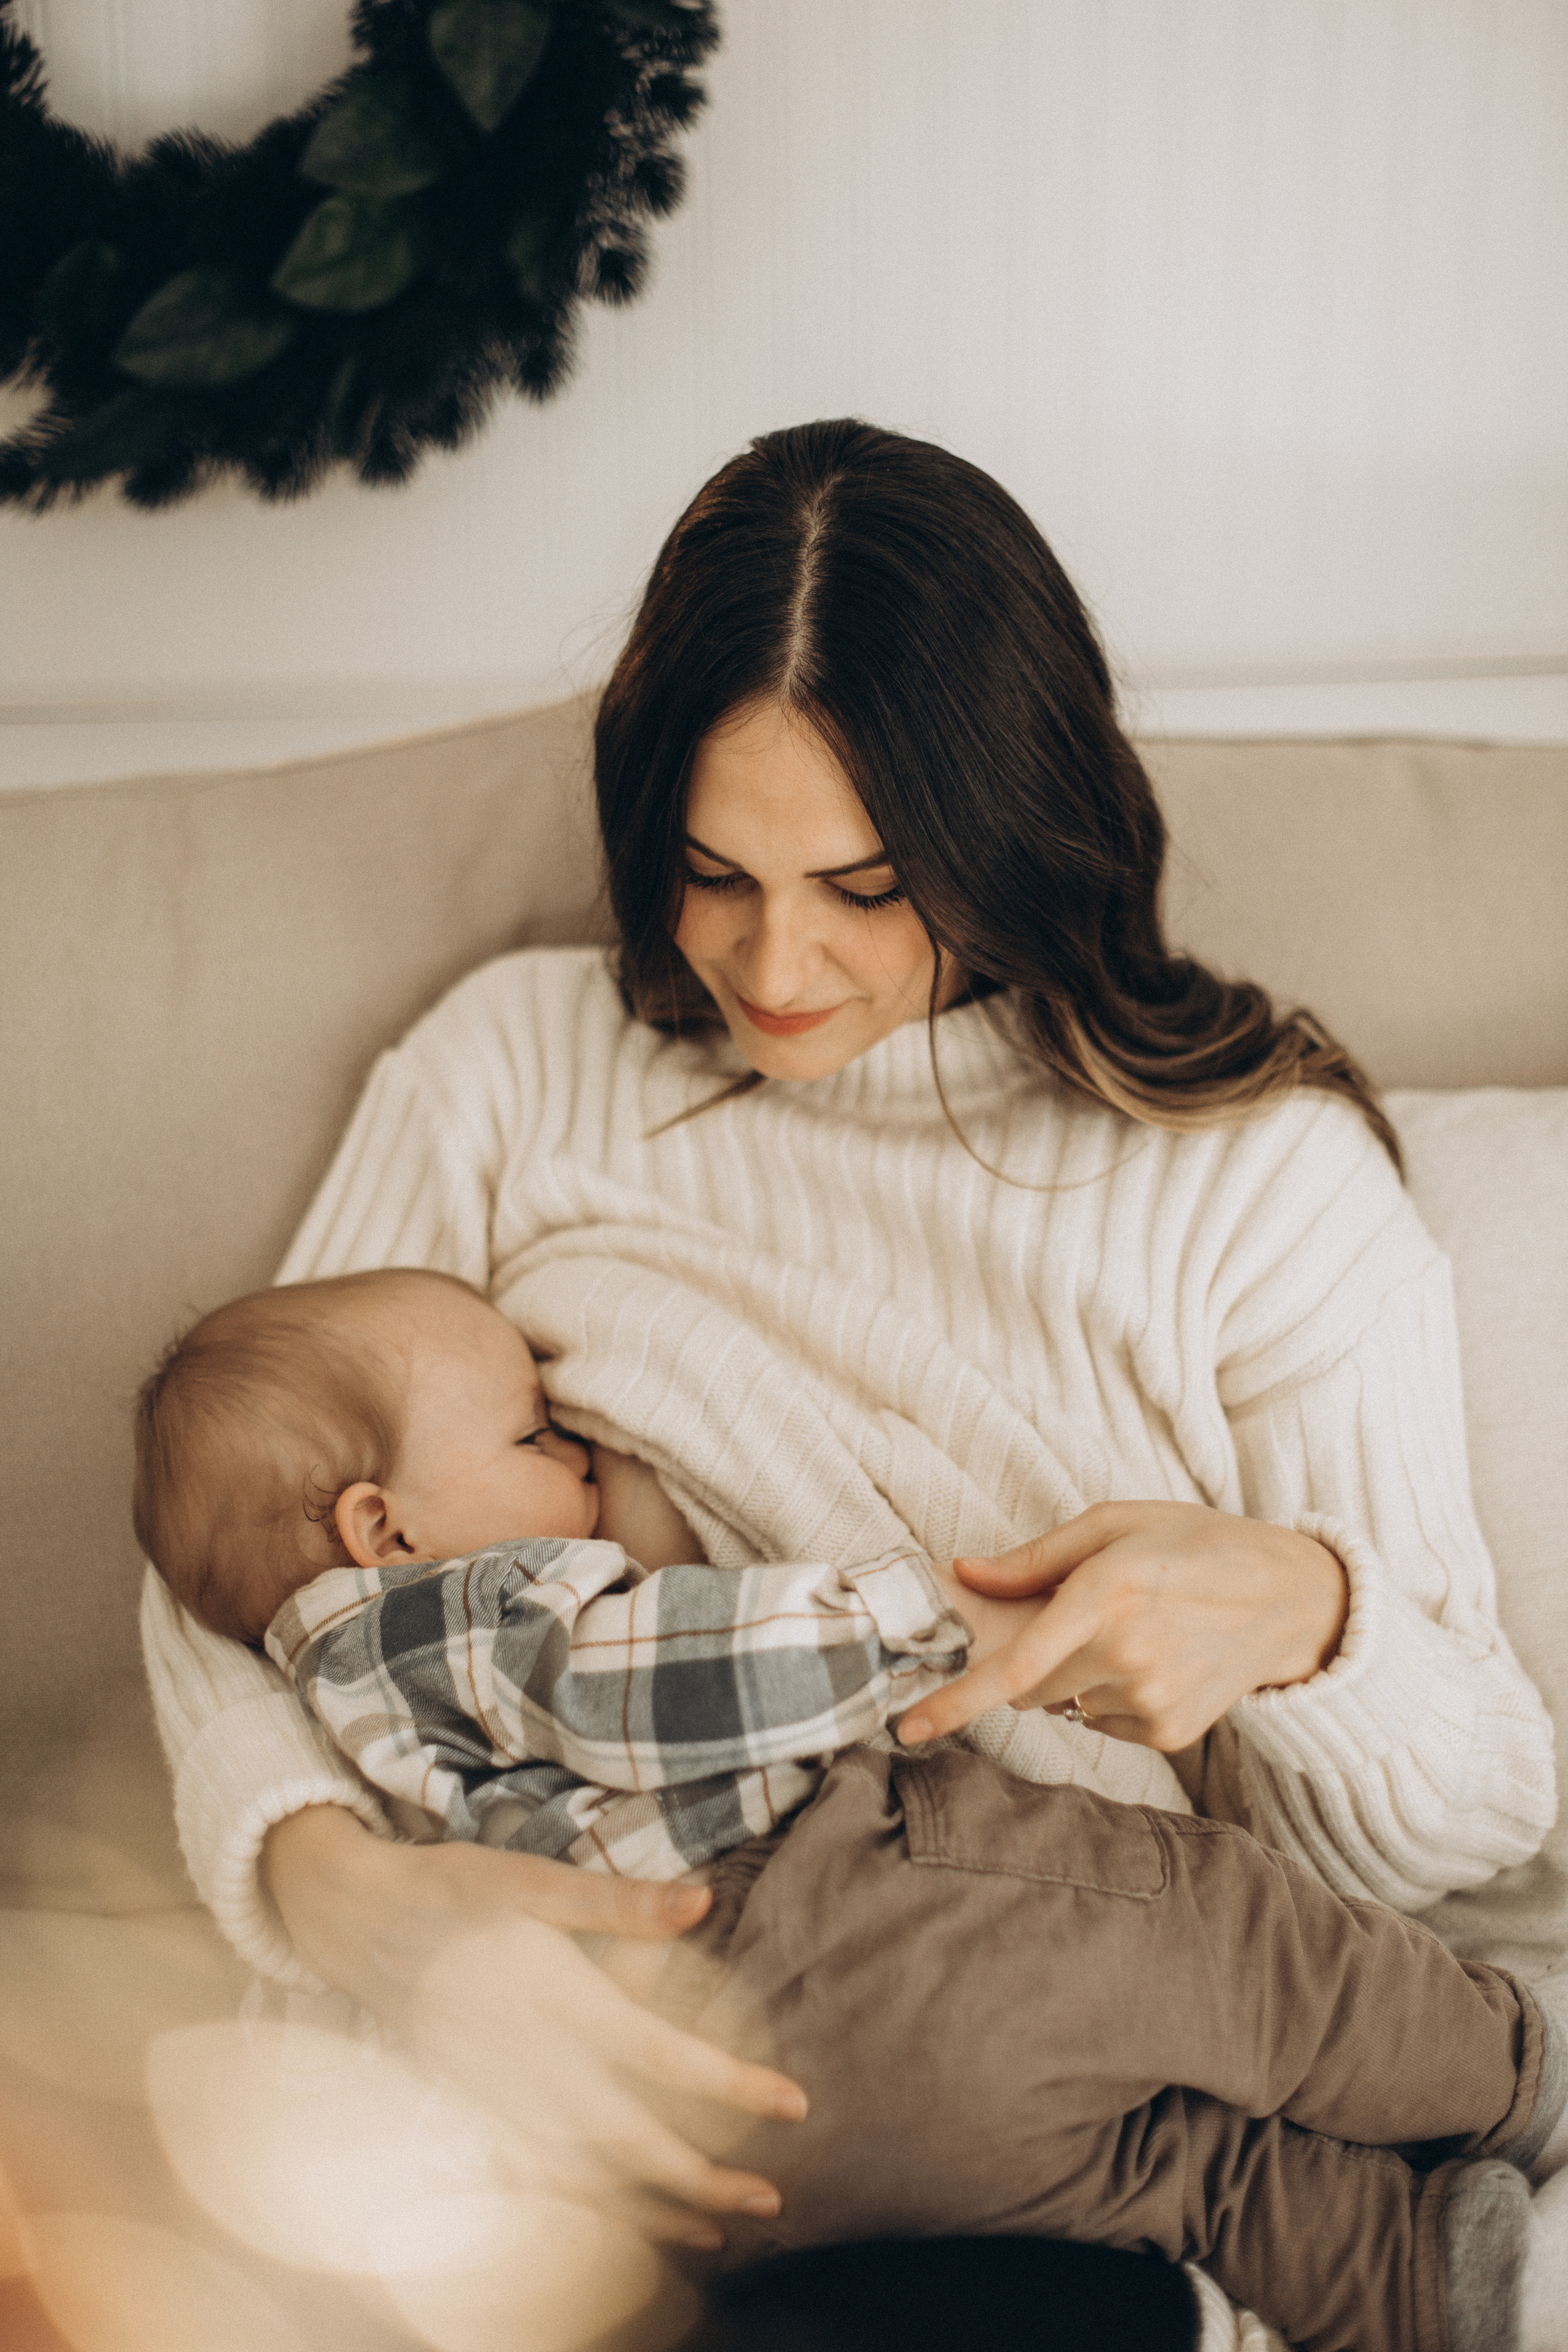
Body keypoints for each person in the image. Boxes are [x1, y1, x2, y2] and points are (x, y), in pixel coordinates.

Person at [139, 418, 1556, 2305]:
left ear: (1002, 835)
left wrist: (1299, 1614)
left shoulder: (1257, 1183)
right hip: (608, 2037)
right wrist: (352, 1899)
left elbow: (1477, 1810)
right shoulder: (515, 1065)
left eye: (865, 886)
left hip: (1045, 2029)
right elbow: (250, 1539)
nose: (774, 964)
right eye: (712, 872)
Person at [132, 1264, 1568, 2352]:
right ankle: (1511, 2071)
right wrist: (909, 1618)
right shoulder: (470, 1611)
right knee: (1229, 1942)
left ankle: (1429, 2278)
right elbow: (638, 1683)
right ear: (383, 1528)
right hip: (841, 1931)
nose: (575, 1458)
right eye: (530, 1434)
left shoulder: (339, 1707)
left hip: (757, 2145)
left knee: (1171, 2176)